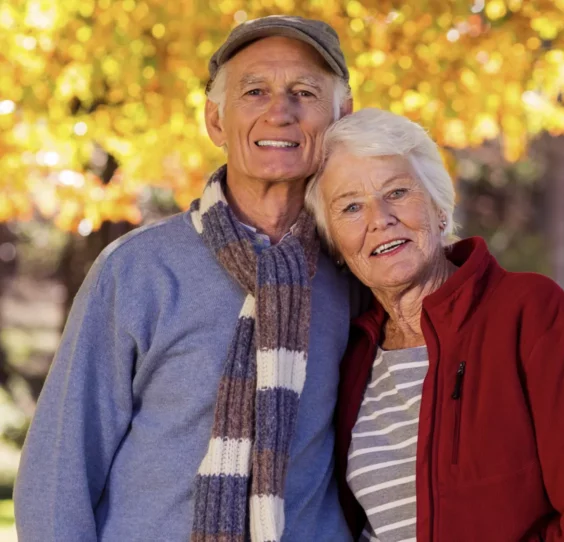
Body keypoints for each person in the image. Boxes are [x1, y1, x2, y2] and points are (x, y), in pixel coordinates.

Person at [15, 16, 357, 542]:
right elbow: (59, 472)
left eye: (305, 92)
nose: (279, 111)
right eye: (255, 91)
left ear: (341, 118)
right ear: (216, 121)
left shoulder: (355, 275)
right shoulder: (136, 270)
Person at [304, 107, 564, 541]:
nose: (379, 218)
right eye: (350, 207)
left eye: (398, 192)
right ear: (334, 242)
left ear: (440, 208)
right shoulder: (349, 355)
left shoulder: (530, 312)